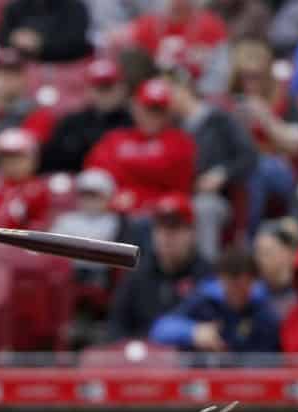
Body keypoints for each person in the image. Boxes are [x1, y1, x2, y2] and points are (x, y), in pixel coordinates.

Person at [166, 63, 258, 262]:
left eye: (170, 90)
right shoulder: (171, 126)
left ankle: (206, 272)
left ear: (185, 88)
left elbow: (249, 156)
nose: (167, 98)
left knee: (204, 208)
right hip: (180, 193)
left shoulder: (219, 120)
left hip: (215, 198)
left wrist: (222, 173)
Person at [227, 38, 298, 234]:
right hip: (238, 168)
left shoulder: (284, 101)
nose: (250, 82)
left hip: (277, 169)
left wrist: (265, 117)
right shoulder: (229, 103)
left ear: (267, 76)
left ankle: (250, 237)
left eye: (256, 76)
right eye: (245, 76)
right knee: (252, 168)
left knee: (260, 167)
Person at [108, 193, 212, 340]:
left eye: (175, 227)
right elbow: (116, 328)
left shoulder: (207, 276)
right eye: (161, 227)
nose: (167, 236)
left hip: (190, 359)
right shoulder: (137, 277)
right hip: (144, 358)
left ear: (192, 233)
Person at [85, 78, 196, 213]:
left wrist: (139, 197)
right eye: (147, 108)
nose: (152, 115)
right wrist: (114, 197)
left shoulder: (180, 141)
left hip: (160, 216)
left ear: (168, 113)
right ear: (136, 108)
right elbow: (96, 174)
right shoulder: (115, 138)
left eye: (158, 110)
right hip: (113, 211)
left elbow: (178, 186)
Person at [150, 247, 280, 353]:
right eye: (231, 286)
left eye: (242, 286)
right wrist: (193, 332)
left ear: (252, 282)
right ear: (221, 280)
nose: (237, 293)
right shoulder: (204, 302)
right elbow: (160, 330)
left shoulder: (264, 312)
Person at [40, 57, 133, 174]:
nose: (104, 94)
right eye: (99, 88)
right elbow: (50, 164)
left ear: (122, 88)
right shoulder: (71, 123)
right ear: (88, 90)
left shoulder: (134, 123)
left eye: (108, 87)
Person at [118, 0, 230, 95]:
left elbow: (220, 76)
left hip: (195, 97)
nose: (178, 3)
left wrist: (197, 94)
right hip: (151, 97)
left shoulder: (212, 27)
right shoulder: (146, 25)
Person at [0, 0, 92, 63]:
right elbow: (1, 39)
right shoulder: (14, 7)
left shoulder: (75, 8)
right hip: (22, 68)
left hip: (67, 68)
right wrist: (15, 39)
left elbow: (78, 44)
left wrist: (39, 44)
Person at [252, 219, 298, 319]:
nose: (259, 259)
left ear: (287, 253)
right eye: (257, 253)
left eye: (266, 253)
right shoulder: (252, 293)